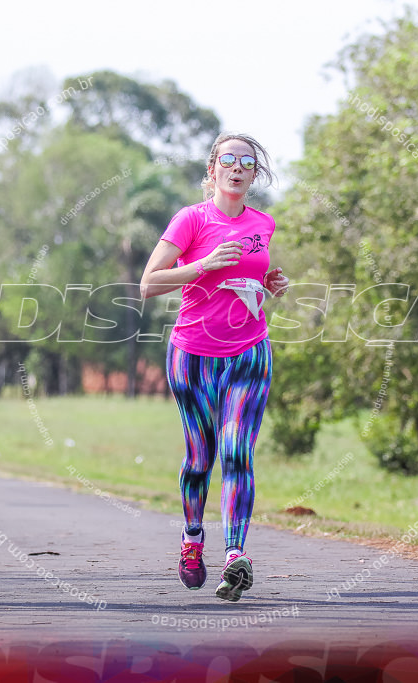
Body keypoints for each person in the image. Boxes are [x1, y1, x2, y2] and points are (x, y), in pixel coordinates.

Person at [140, 133, 290, 602]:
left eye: (248, 162)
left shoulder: (263, 223)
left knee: (237, 451)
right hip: (194, 354)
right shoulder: (190, 219)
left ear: (254, 174)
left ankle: (234, 555)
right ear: (212, 171)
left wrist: (270, 280)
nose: (238, 167)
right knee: (201, 458)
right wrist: (202, 265)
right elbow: (148, 283)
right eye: (229, 159)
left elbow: (251, 270)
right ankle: (191, 539)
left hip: (250, 350)